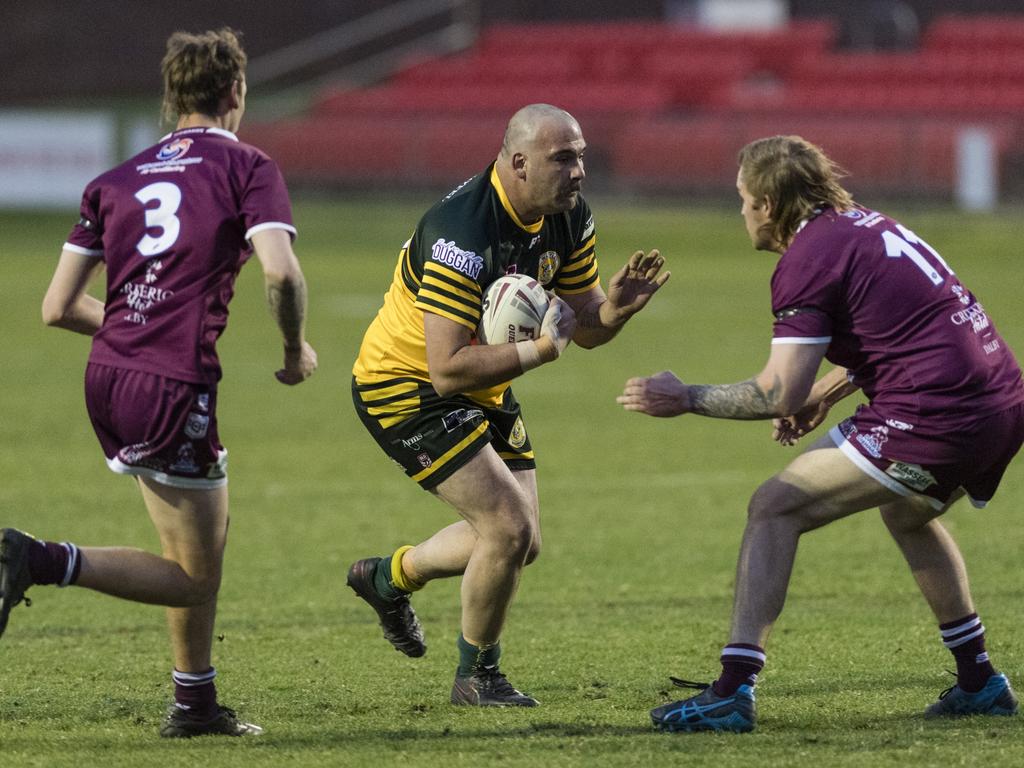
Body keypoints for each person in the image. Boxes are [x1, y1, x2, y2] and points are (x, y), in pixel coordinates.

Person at [618, 135, 1023, 733]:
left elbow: (776, 391)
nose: (740, 212)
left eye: (743, 199)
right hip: (1001, 399)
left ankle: (732, 689)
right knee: (908, 512)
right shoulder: (864, 226)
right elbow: (902, 329)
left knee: (774, 508)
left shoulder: (806, 259)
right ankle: (978, 679)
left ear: (768, 203)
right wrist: (826, 394)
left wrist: (685, 398)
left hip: (937, 412)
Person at [0, 28, 317, 738]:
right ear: (235, 93)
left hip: (108, 376)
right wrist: (295, 350)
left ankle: (194, 705)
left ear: (171, 98)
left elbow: (56, 307)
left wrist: (132, 332)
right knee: (195, 574)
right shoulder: (248, 167)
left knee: (198, 544)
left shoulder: (115, 180)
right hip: (171, 388)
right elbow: (281, 272)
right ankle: (42, 559)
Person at [348, 103, 669, 707]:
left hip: (482, 383)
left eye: (582, 157)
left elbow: (586, 324)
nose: (579, 172)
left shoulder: (566, 216)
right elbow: (444, 368)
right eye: (563, 159)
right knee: (507, 526)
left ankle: (387, 579)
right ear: (518, 162)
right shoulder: (461, 232)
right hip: (406, 386)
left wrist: (615, 311)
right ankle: (477, 677)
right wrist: (542, 351)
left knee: (523, 540)